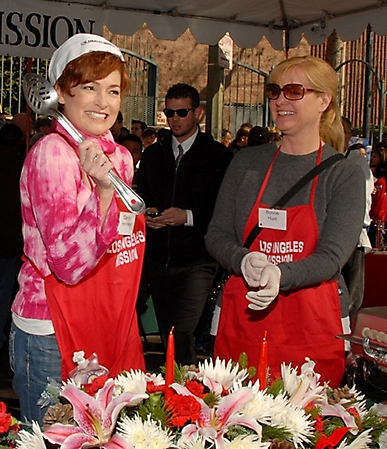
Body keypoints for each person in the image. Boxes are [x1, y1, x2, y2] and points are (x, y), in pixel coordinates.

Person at [205, 56, 365, 388]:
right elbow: (217, 234)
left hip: (312, 326)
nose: (280, 100)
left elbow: (334, 256)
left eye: (294, 91)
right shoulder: (246, 163)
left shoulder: (342, 172)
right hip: (243, 318)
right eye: (275, 90)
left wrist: (281, 273)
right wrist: (243, 258)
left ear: (323, 101)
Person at [10, 33, 145, 425]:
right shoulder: (51, 154)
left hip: (102, 316)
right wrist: (103, 192)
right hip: (50, 327)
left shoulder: (119, 156)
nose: (104, 102)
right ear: (60, 93)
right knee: (54, 436)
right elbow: (67, 265)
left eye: (113, 90)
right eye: (89, 87)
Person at [136, 83, 233, 366]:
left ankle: (185, 389)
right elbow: (140, 196)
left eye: (182, 112)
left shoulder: (218, 156)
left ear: (198, 113)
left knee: (182, 331)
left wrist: (188, 216)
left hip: (199, 259)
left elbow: (224, 210)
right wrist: (148, 213)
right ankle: (178, 388)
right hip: (158, 257)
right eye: (169, 112)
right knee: (169, 333)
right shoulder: (155, 154)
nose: (174, 118)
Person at [341, 120, 373, 323]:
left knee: (352, 295)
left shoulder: (356, 162)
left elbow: (363, 196)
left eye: (344, 131)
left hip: (353, 237)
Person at [0, 124, 24, 351]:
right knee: (4, 292)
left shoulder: (18, 169)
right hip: (8, 241)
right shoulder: (18, 169)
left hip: (8, 241)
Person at [369, 145, 387, 249]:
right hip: (374, 214)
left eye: (375, 156)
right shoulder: (372, 174)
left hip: (381, 216)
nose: (372, 159)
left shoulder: (383, 177)